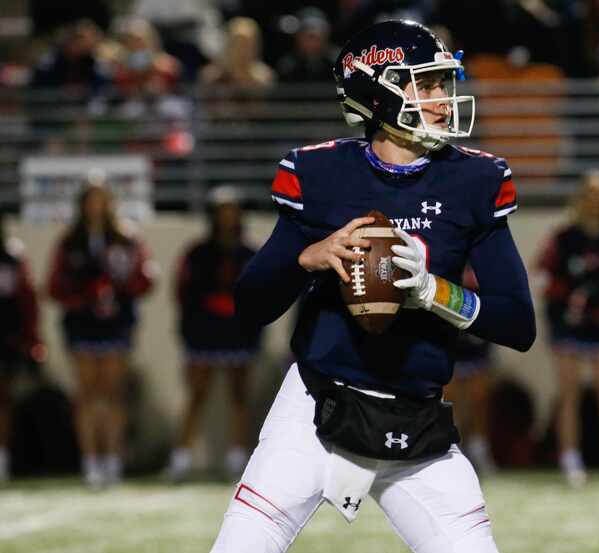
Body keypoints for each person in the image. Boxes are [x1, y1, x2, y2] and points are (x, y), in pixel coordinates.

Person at [209, 19, 535, 553]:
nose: (442, 99)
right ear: (376, 94)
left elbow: (519, 324)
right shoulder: (320, 174)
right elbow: (249, 306)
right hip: (317, 410)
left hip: (418, 421)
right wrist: (306, 258)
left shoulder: (474, 181)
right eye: (425, 85)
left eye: (441, 84)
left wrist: (433, 291)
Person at [46, 172, 156, 488]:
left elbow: (146, 276)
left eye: (101, 199)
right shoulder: (69, 241)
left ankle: (112, 460)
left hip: (116, 323)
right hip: (81, 324)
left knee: (113, 393)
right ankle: (91, 462)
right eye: (90, 199)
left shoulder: (126, 237)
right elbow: (54, 285)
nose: (96, 206)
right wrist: (84, 296)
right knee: (87, 393)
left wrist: (120, 290)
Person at [535, 170, 599, 487]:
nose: (595, 201)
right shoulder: (563, 238)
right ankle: (570, 459)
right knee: (569, 394)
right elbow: (541, 276)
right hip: (568, 325)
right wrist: (568, 296)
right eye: (590, 194)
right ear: (580, 199)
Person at [166, 187, 262, 481]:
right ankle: (180, 458)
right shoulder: (197, 253)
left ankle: (237, 458)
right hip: (204, 332)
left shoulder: (249, 252)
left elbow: (260, 292)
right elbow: (183, 292)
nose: (227, 218)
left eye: (232, 211)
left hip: (238, 332)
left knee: (239, 395)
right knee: (197, 394)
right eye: (221, 212)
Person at [0, 215, 44, 483]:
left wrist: (31, 338)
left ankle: (2, 458)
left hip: (5, 337)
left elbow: (27, 300)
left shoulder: (13, 257)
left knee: (3, 399)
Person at [443, 264, 498, 476]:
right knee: (449, 398)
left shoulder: (483, 260)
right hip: (449, 342)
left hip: (477, 343)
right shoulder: (447, 255)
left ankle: (479, 447)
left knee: (480, 397)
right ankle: (454, 448)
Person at [200, 16, 274, 91]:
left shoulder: (264, 78)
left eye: (248, 45)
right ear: (228, 45)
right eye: (238, 44)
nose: (243, 51)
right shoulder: (212, 77)